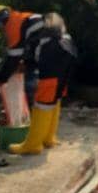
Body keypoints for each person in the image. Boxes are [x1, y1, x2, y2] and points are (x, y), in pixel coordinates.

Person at [9, 13, 78, 154]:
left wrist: (20, 66)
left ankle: (32, 145)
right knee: (54, 99)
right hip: (68, 53)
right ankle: (48, 138)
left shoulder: (18, 25)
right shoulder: (45, 24)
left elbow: (20, 55)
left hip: (53, 56)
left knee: (43, 103)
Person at [0, 5, 45, 110]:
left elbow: (13, 59)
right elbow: (27, 48)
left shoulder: (12, 26)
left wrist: (1, 78)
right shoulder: (21, 18)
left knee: (30, 79)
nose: (1, 32)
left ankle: (31, 113)